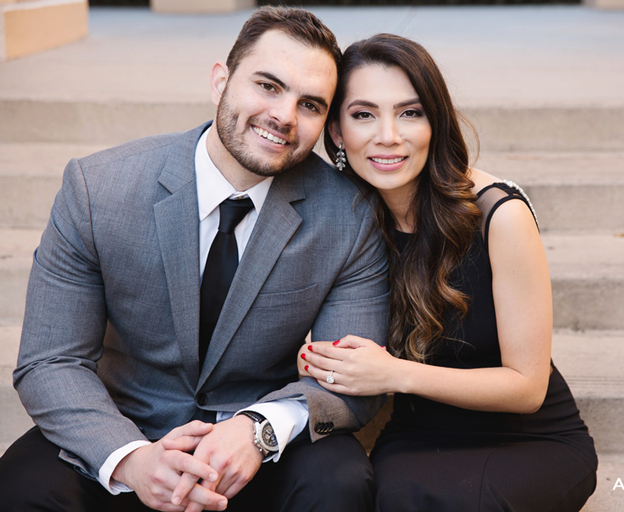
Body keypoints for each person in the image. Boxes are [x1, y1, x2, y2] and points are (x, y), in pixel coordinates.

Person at [0, 7, 389, 512]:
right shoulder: (99, 189)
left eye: (310, 104)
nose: (284, 116)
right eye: (268, 86)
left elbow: (350, 381)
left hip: (256, 446)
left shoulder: (350, 215)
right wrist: (132, 459)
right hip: (125, 425)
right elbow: (50, 360)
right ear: (220, 81)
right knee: (22, 486)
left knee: (339, 479)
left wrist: (260, 431)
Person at [299, 34, 598, 512]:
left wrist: (395, 374)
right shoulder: (341, 218)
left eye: (410, 112)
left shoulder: (499, 214)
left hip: (528, 439)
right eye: (363, 114)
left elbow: (527, 387)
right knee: (398, 499)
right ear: (336, 131)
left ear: (435, 122)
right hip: (420, 435)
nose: (388, 135)